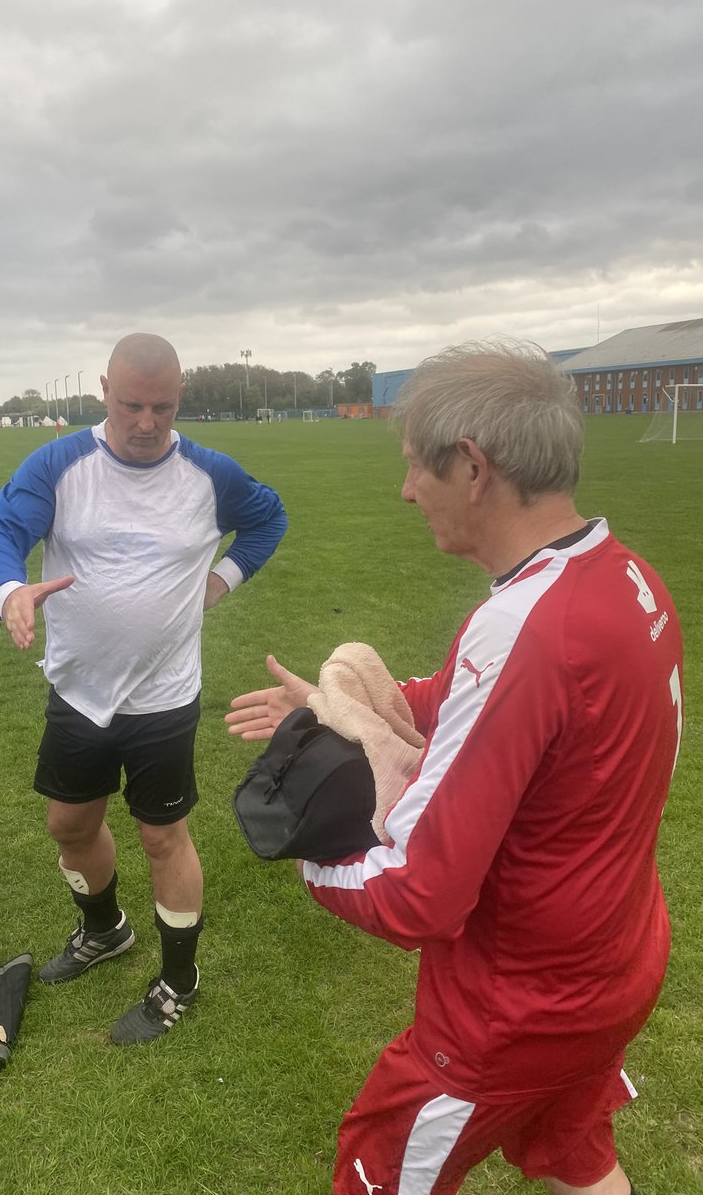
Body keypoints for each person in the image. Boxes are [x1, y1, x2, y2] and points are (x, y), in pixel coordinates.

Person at [226, 341, 683, 1195]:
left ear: (472, 466)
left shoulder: (530, 629)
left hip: (517, 1004)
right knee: (573, 1154)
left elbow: (418, 893)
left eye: (413, 468)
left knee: (374, 1167)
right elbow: (483, 704)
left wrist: (311, 854)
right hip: (613, 959)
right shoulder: (625, 578)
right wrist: (339, 706)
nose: (405, 492)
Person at [0, 332, 287, 1044]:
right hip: (79, 691)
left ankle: (180, 978)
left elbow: (268, 518)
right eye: (131, 405)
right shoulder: (59, 463)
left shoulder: (210, 474)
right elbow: (0, 530)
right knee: (69, 827)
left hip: (165, 698)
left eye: (163, 407)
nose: (146, 422)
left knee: (162, 835)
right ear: (103, 395)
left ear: (180, 399)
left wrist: (223, 577)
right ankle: (104, 930)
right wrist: (8, 590)